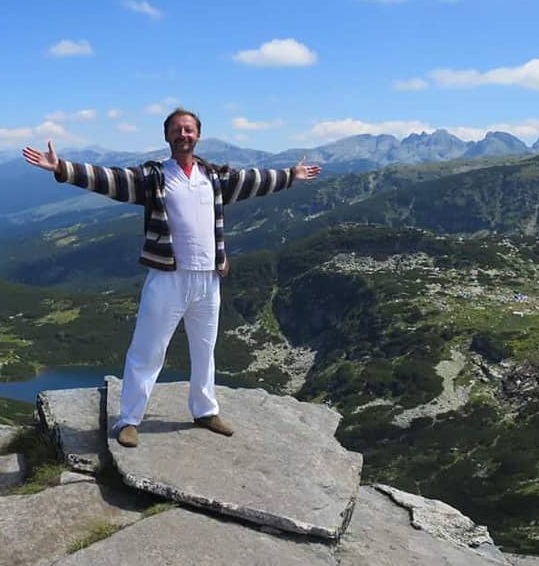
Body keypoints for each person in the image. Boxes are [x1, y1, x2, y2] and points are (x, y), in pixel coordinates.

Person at [23, 108, 320, 447]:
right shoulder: (154, 177)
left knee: (205, 349)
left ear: (198, 135)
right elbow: (111, 179)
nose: (183, 135)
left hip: (208, 278)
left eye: (189, 129)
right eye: (177, 130)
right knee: (148, 350)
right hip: (167, 277)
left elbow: (253, 181)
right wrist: (62, 168)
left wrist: (291, 175)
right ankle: (129, 419)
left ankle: (205, 410)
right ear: (167, 136)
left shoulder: (214, 177)